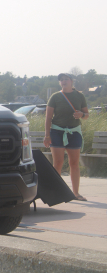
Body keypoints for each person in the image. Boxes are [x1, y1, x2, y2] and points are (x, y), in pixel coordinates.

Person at [43, 73, 89, 201]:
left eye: (66, 79)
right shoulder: (55, 97)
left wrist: (81, 114)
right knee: (58, 162)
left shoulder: (79, 96)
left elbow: (86, 115)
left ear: (71, 81)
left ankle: (76, 193)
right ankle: (55, 192)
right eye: (61, 80)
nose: (63, 81)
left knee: (74, 163)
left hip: (74, 132)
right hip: (57, 132)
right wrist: (47, 135)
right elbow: (48, 117)